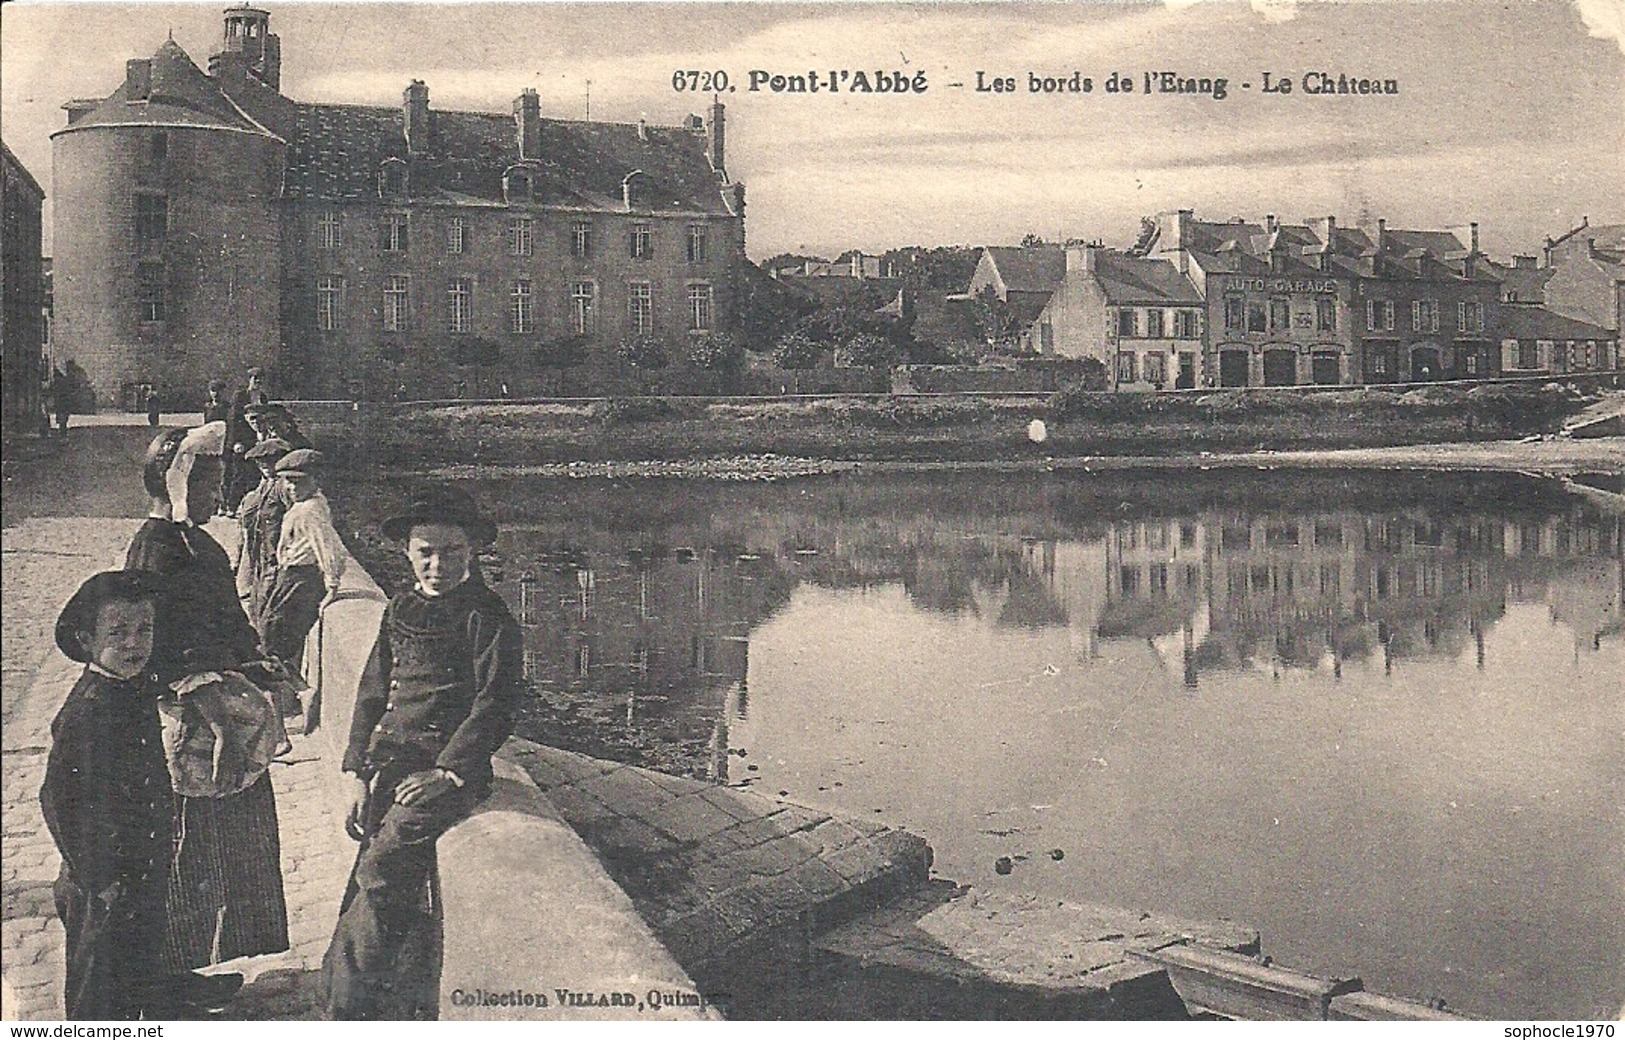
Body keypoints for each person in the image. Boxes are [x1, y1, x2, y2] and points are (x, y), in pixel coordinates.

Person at [321, 487, 522, 1020]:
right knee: (372, 864)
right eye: (425, 552)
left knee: (384, 868)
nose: (437, 564)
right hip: (392, 766)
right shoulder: (401, 607)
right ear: (407, 552)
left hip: (445, 773)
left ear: (473, 552)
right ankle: (365, 995)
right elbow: (371, 692)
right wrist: (354, 771)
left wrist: (448, 771)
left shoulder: (487, 615)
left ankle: (353, 1006)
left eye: (452, 552)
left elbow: (496, 704)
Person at [125, 423, 290, 989]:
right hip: (194, 723)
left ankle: (214, 963)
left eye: (219, 483)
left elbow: (229, 620)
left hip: (227, 713)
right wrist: (209, 706)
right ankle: (174, 975)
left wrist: (258, 660)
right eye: (206, 483)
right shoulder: (156, 547)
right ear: (173, 481)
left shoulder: (200, 542)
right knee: (191, 849)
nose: (216, 496)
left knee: (234, 842)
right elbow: (153, 640)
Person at [41, 571, 173, 1019]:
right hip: (102, 879)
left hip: (137, 867)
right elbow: (59, 801)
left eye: (145, 629)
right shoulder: (89, 711)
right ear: (86, 639)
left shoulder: (129, 689)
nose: (135, 643)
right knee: (96, 982)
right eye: (117, 633)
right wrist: (101, 878)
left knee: (135, 964)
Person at [259, 448, 345, 708]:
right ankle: (289, 706)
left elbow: (329, 547)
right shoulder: (309, 505)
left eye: (298, 481)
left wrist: (332, 584)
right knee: (271, 641)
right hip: (292, 578)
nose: (291, 487)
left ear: (315, 480)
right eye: (287, 481)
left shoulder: (309, 511)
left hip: (299, 581)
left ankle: (301, 692)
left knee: (270, 644)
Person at [236, 438, 293, 634]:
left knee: (267, 603)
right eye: (260, 463)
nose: (265, 467)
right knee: (256, 599)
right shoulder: (266, 485)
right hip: (260, 553)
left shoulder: (283, 487)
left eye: (270, 462)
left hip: (275, 556)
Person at [222, 369, 265, 515]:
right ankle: (231, 506)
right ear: (250, 380)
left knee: (254, 474)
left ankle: (250, 506)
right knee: (239, 474)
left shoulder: (262, 397)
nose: (258, 382)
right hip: (241, 441)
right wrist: (236, 442)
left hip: (256, 441)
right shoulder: (240, 396)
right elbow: (233, 420)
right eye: (255, 379)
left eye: (260, 380)